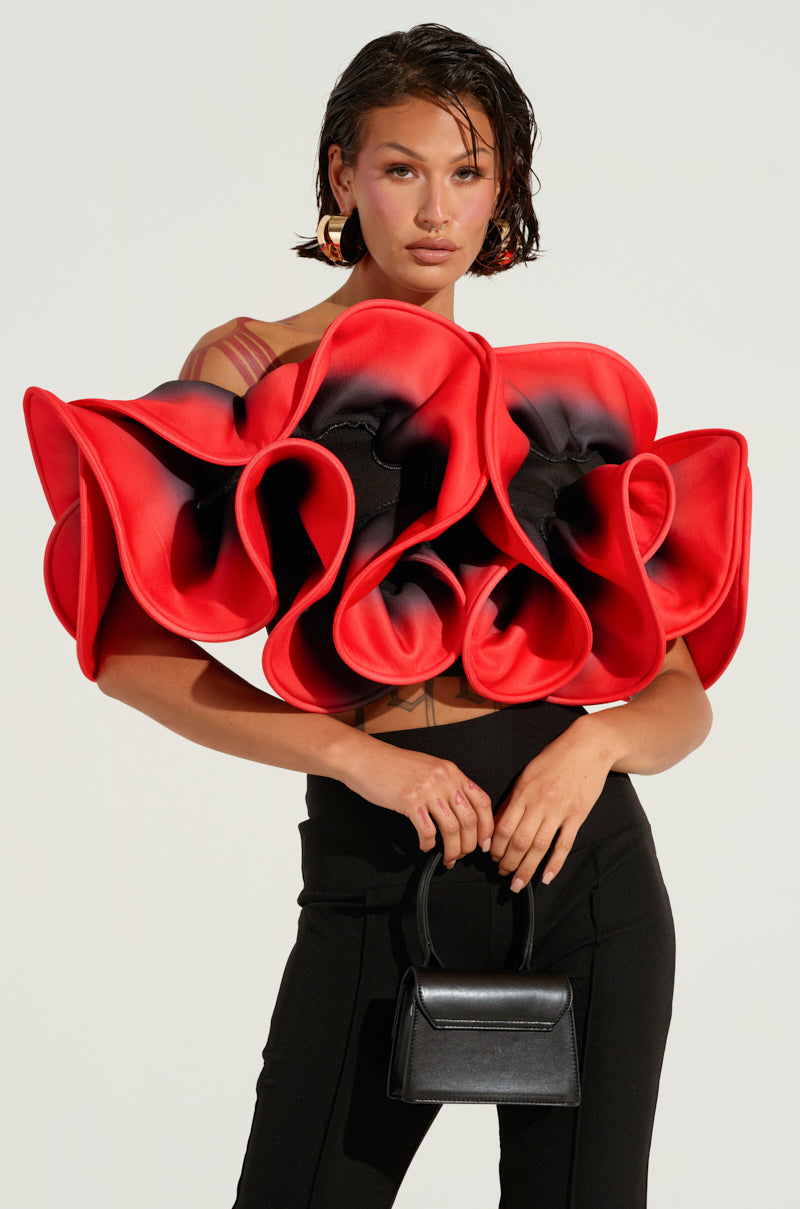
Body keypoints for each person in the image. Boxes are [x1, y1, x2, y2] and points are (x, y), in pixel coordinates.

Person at [23, 23, 750, 1209]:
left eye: (466, 174)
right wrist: (354, 756)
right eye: (400, 167)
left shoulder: (552, 415)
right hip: (375, 873)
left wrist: (597, 747)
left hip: (587, 875)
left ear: (501, 190)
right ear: (340, 176)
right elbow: (125, 654)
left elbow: (678, 693)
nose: (432, 208)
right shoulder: (254, 367)